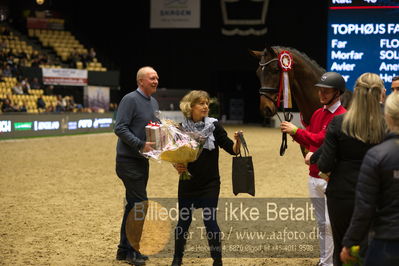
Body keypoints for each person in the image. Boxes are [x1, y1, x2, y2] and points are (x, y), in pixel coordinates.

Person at [315, 73, 386, 266]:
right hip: (379, 194)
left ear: (355, 93)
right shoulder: (388, 124)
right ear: (381, 94)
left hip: (342, 194)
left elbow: (324, 165)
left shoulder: (338, 123)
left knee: (343, 249)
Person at [280, 72, 347, 266]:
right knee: (321, 223)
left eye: (327, 90)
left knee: (328, 223)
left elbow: (320, 139)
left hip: (329, 177)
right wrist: (295, 134)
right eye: (320, 90)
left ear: (337, 92)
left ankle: (329, 262)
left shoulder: (341, 116)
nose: (322, 93)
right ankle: (325, 259)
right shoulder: (318, 113)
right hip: (313, 175)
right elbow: (310, 137)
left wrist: (295, 131)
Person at [171, 90, 241, 266]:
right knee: (183, 221)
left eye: (207, 103)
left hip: (210, 183)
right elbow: (174, 155)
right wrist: (177, 165)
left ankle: (217, 261)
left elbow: (232, 149)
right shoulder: (180, 128)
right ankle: (177, 259)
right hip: (188, 183)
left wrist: (238, 141)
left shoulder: (214, 126)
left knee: (210, 221)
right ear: (191, 107)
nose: (205, 107)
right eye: (201, 103)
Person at [340, 92, 399, 266]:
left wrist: (350, 242)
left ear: (387, 116)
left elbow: (365, 207)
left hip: (387, 240)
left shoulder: (376, 156)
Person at [114, 66, 160, 266]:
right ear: (141, 81)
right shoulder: (130, 99)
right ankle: (133, 251)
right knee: (141, 204)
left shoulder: (154, 101)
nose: (156, 81)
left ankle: (123, 251)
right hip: (128, 161)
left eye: (157, 78)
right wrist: (140, 145)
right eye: (152, 78)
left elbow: (155, 129)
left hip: (142, 162)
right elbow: (120, 127)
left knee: (133, 205)